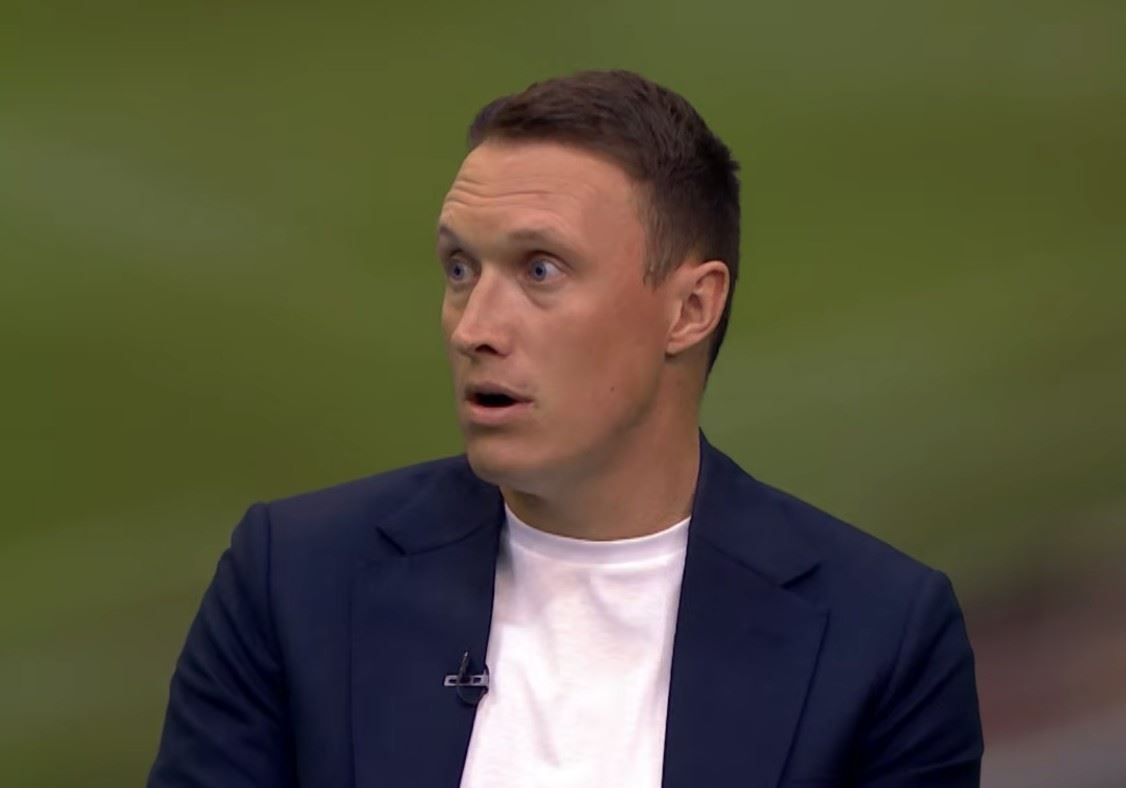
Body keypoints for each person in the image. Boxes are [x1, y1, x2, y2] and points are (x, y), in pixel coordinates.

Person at [148, 70, 983, 787]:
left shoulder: (880, 636)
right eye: (460, 268)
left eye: (540, 270)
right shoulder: (293, 583)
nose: (475, 326)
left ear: (690, 309)